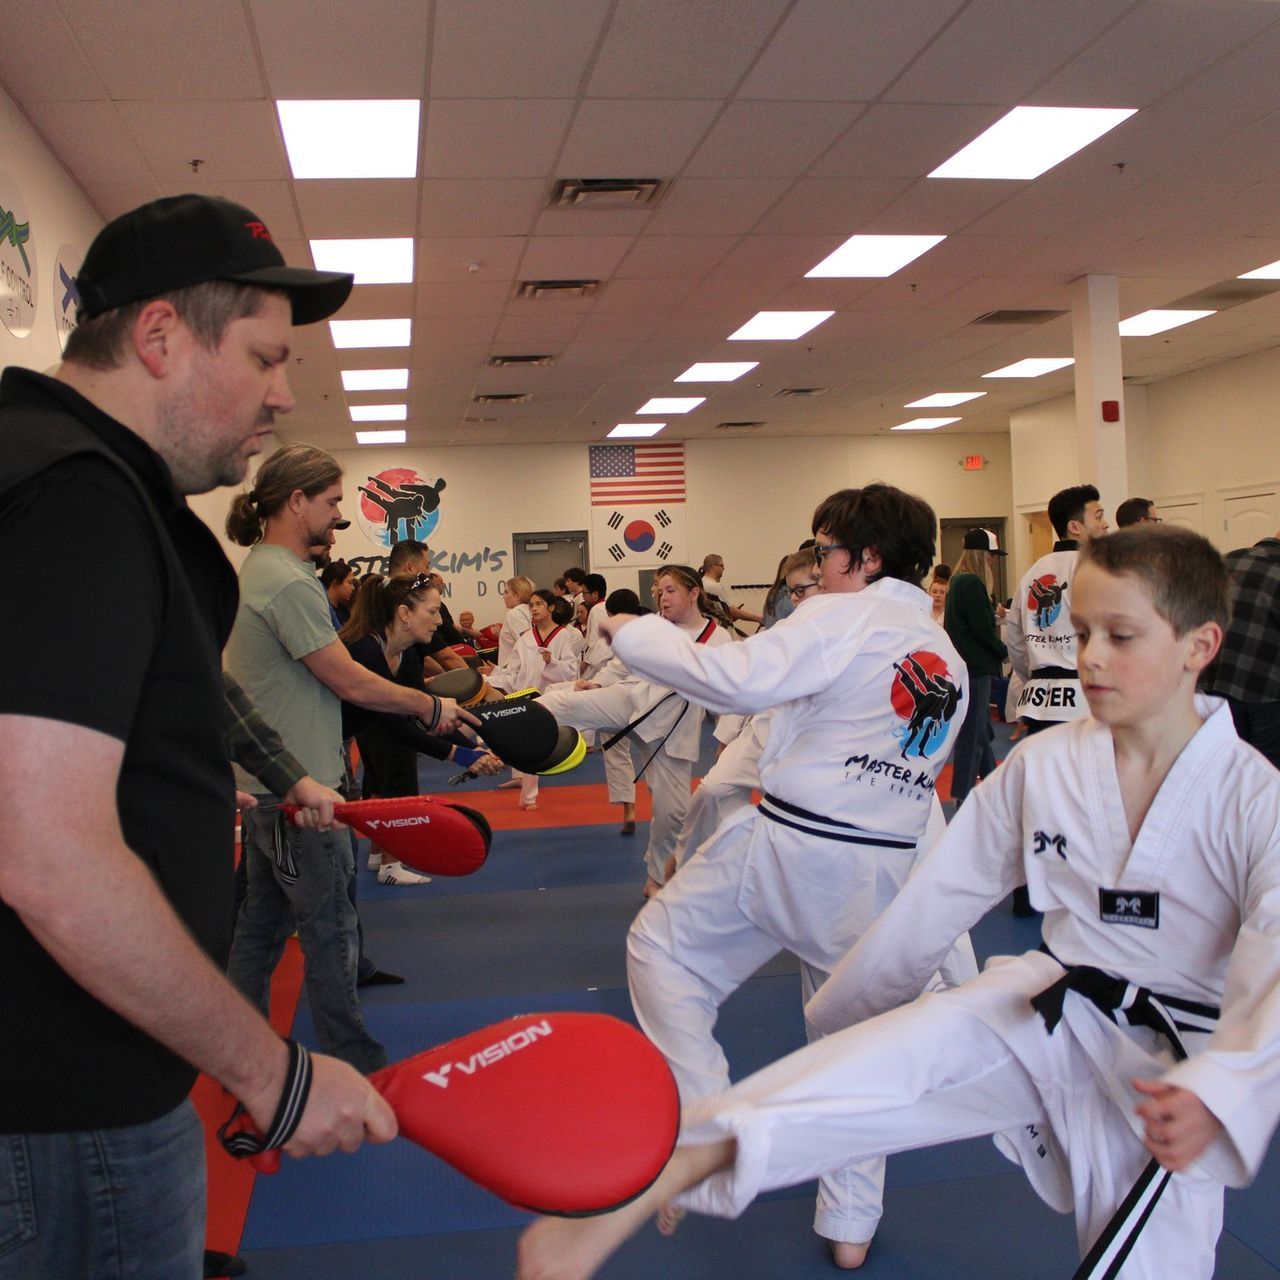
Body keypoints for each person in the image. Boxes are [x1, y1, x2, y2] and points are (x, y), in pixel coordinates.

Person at [517, 527, 1280, 1280]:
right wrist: (849, 1015)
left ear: (1199, 646)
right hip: (1052, 1007)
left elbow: (1274, 959)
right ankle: (674, 1171)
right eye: (1081, 632)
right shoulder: (1044, 764)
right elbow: (939, 894)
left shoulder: (1250, 796)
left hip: (1172, 1064)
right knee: (869, 1068)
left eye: (1121, 635)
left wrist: (1224, 1086)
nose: (1091, 657)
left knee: (1153, 1258)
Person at [0, 193, 398, 1280]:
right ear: (161, 335)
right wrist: (270, 1072)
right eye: (266, 359)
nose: (283, 394)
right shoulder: (73, 498)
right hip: (63, 1109)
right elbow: (49, 856)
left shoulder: (66, 477)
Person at [598, 487, 967, 1267]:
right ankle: (851, 1226)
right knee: (851, 1047)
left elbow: (730, 680)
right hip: (881, 873)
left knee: (661, 951)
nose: (820, 569)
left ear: (864, 559)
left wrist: (629, 630)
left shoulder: (841, 616)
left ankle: (709, 1136)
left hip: (792, 848)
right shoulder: (947, 655)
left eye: (826, 552)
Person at [223, 443, 475, 1073]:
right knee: (329, 928)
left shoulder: (264, 572)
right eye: (333, 503)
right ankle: (355, 1064)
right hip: (296, 794)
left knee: (260, 928)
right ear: (296, 500)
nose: (339, 517)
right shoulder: (284, 581)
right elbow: (349, 680)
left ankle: (243, 1058)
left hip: (282, 784)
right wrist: (427, 707)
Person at [541, 566, 734, 894]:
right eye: (659, 590)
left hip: (671, 730)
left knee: (672, 813)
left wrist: (726, 738)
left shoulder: (718, 638)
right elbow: (621, 664)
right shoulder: (654, 625)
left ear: (694, 593)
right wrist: (597, 681)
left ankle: (657, 878)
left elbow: (730, 691)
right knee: (563, 703)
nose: (662, 596)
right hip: (631, 699)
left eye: (670, 590)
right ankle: (503, 729)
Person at [339, 573, 499, 883]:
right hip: (307, 749)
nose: (439, 621)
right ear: (404, 614)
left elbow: (421, 714)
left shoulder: (408, 656)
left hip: (334, 744)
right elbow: (396, 727)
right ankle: (388, 865)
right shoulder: (365, 652)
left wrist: (474, 750)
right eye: (432, 611)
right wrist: (460, 755)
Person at [1005, 484, 1109, 914]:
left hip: (1040, 697)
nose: (1106, 523)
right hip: (1084, 698)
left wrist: (1032, 679)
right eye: (1099, 516)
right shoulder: (1098, 569)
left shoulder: (1033, 572)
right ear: (1075, 526)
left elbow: (1013, 640)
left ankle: (1029, 891)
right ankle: (1082, 888)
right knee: (1091, 797)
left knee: (1041, 797)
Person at [487, 588, 581, 809]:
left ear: (551, 608)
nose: (534, 609)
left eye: (539, 604)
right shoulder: (526, 639)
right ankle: (528, 796)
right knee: (527, 743)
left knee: (540, 745)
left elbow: (570, 671)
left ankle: (528, 792)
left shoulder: (563, 636)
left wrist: (552, 663)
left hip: (551, 697)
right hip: (527, 695)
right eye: (531, 605)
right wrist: (494, 674)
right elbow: (514, 671)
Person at [1202, 527, 1280, 768]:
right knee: (1267, 778)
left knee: (1224, 772)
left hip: (1210, 690)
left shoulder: (1225, 562)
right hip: (1266, 697)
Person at [943, 529, 1008, 805]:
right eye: (992, 556)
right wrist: (1003, 650)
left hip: (966, 666)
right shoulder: (971, 583)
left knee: (981, 730)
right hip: (975, 667)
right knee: (974, 733)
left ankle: (991, 785)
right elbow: (981, 627)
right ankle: (964, 793)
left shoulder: (959, 581)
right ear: (982, 555)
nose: (994, 561)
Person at [700, 552, 763, 627]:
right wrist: (759, 619)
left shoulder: (703, 582)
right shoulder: (713, 586)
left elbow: (722, 613)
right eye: (721, 566)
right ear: (713, 566)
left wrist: (730, 615)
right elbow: (733, 612)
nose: (723, 569)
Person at [320, 558, 355, 628]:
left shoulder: (344, 611)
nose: (353, 588)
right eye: (349, 583)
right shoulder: (322, 611)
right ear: (335, 582)